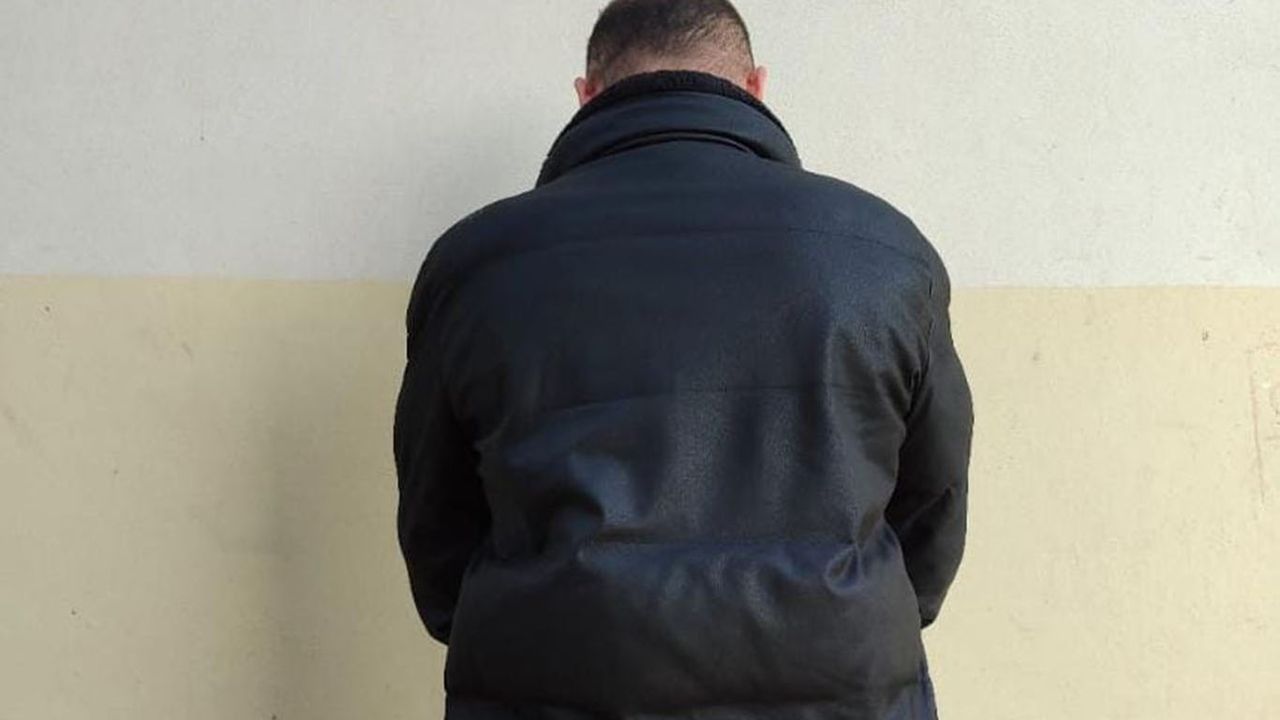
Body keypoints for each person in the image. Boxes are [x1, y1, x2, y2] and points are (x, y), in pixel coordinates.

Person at [392, 1, 975, 718]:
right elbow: (932, 506)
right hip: (842, 693)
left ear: (586, 95)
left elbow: (437, 528)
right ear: (756, 86)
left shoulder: (476, 265)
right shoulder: (885, 253)